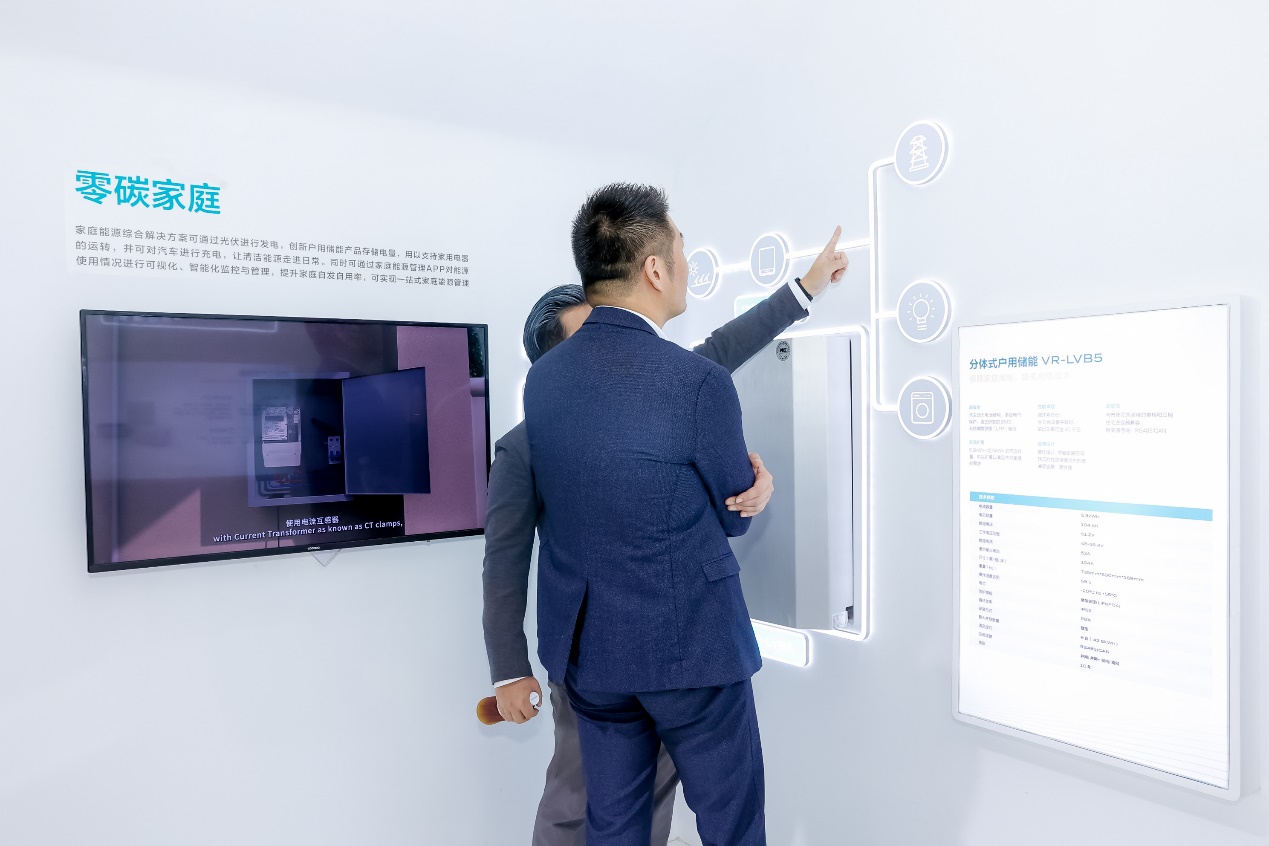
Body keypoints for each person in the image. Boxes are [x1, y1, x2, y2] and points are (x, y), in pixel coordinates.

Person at [520, 183, 846, 846]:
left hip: (593, 657)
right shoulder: (695, 384)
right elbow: (733, 514)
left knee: (614, 826)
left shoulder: (544, 380)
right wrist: (753, 487)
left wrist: (804, 288)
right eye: (682, 248)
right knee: (731, 827)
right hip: (691, 652)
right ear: (654, 269)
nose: (688, 264)